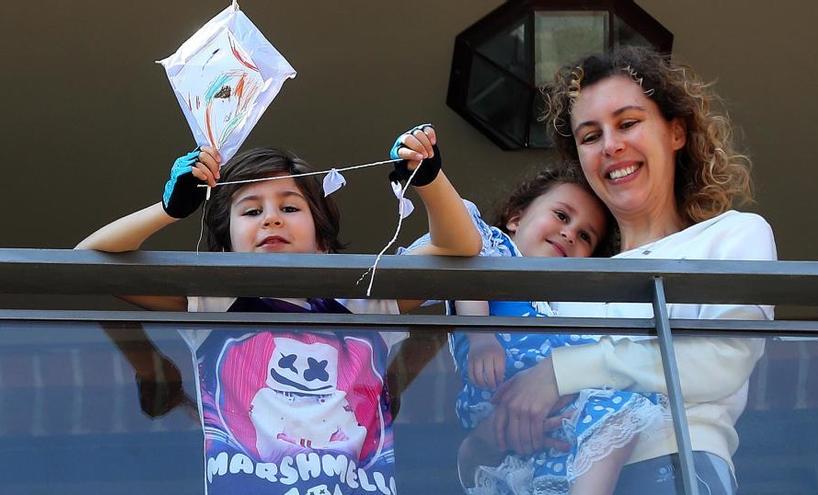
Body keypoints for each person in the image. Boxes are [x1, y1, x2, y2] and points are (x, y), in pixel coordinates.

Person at [76, 125, 482, 494]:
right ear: (226, 242)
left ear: (322, 239)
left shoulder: (364, 300)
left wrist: (427, 179)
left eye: (289, 208)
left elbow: (459, 247)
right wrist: (169, 208)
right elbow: (87, 264)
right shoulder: (213, 303)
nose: (271, 218)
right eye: (251, 211)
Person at [486, 46, 777, 495]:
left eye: (628, 123)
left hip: (673, 469)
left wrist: (561, 371)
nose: (611, 146)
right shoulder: (568, 278)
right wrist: (481, 442)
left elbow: (721, 361)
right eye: (590, 135)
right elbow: (513, 400)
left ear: (675, 132)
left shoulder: (732, 235)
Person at [441, 165, 668, 495]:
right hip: (497, 382)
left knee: (614, 419)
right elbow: (467, 266)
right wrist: (480, 338)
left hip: (555, 414)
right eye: (562, 215)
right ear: (516, 218)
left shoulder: (566, 304)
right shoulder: (499, 251)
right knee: (619, 411)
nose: (570, 233)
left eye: (585, 236)